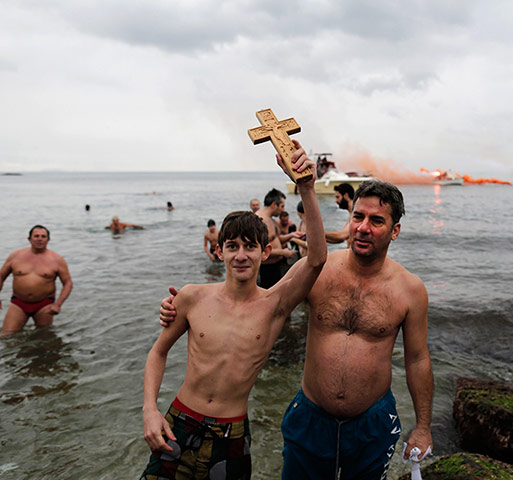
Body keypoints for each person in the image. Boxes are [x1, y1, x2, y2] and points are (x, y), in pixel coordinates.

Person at [161, 180, 434, 478]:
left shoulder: (410, 290)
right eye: (358, 217)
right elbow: (261, 305)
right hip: (310, 417)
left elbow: (417, 359)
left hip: (372, 421)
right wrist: (189, 306)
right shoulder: (319, 272)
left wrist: (422, 427)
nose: (363, 227)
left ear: (395, 230)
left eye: (377, 221)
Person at [140, 142, 325, 479]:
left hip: (231, 432)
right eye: (232, 247)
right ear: (220, 252)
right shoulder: (192, 297)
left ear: (265, 252)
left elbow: (316, 259)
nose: (241, 255)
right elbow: (158, 352)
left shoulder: (274, 305)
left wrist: (306, 187)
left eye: (250, 247)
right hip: (179, 421)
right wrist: (150, 410)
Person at [0, 225, 73, 335]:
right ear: (29, 239)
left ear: (48, 239)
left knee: (45, 339)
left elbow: (68, 283)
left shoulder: (57, 260)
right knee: (6, 336)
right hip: (18, 303)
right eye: (36, 236)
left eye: (43, 236)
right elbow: (1, 276)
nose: (40, 239)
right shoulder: (16, 256)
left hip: (44, 305)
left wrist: (58, 304)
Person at [255, 189, 297, 288]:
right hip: (266, 269)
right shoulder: (258, 220)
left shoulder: (271, 220)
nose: (283, 210)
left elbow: (276, 239)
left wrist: (292, 235)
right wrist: (283, 252)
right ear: (274, 204)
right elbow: (259, 249)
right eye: (282, 206)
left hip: (277, 266)